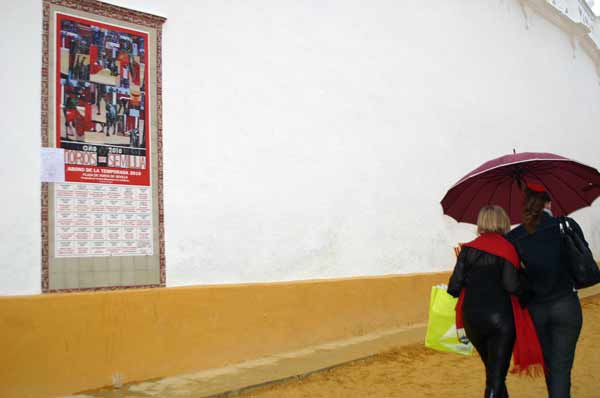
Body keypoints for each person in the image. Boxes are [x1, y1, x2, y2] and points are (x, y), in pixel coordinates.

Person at [448, 205, 544, 398]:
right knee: (496, 377)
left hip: (472, 320)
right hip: (500, 321)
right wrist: (529, 294)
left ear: (482, 222)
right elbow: (511, 285)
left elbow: (453, 288)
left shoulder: (467, 250)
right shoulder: (507, 248)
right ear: (503, 222)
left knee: (493, 373)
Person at [507, 182, 588, 398]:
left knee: (551, 365)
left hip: (536, 310)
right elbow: (582, 254)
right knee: (561, 367)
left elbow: (511, 276)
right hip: (566, 304)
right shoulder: (566, 225)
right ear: (548, 203)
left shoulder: (514, 238)